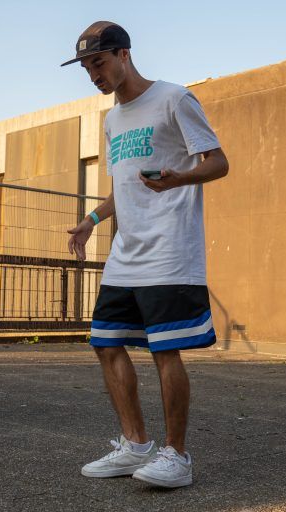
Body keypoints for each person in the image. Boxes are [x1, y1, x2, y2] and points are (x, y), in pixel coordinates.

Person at [63, 22, 229, 488]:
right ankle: (134, 444)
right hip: (126, 252)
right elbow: (124, 184)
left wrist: (177, 178)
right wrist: (91, 221)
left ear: (123, 55)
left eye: (98, 62)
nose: (92, 74)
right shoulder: (112, 119)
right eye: (86, 68)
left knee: (165, 350)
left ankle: (177, 456)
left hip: (170, 249)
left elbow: (218, 162)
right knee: (105, 342)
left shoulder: (174, 98)